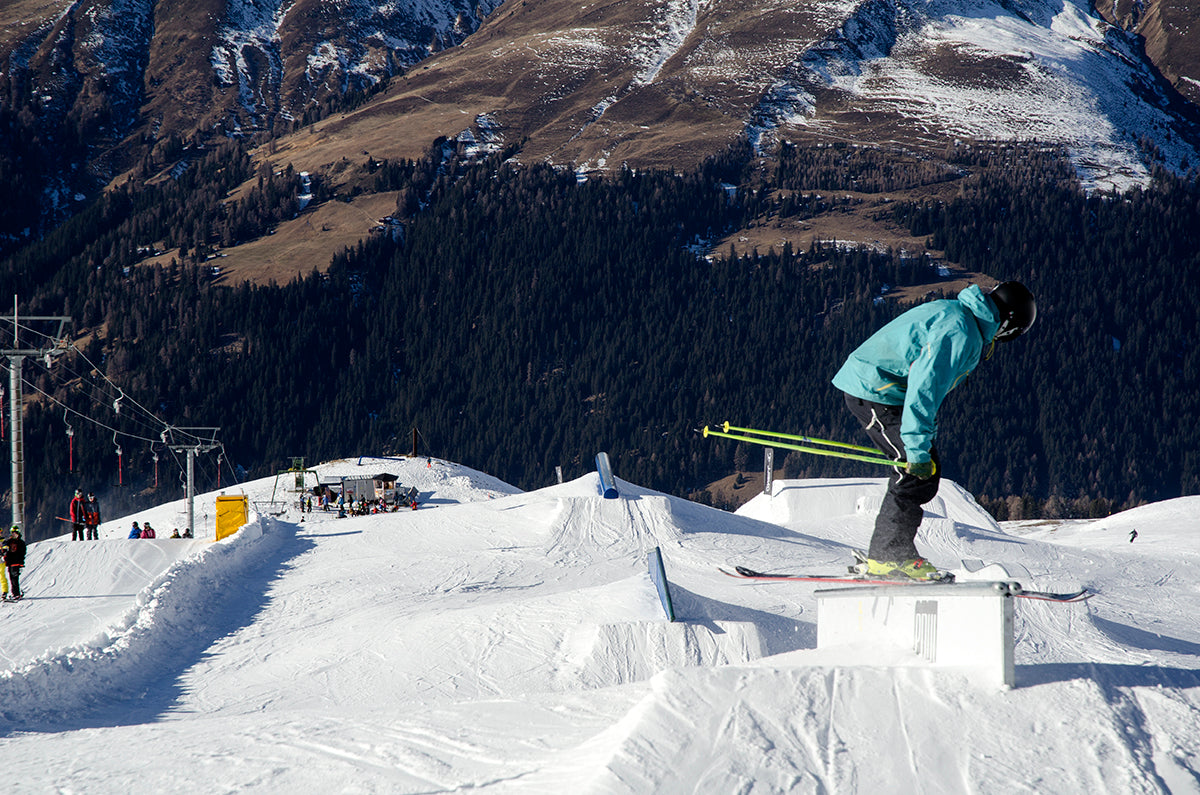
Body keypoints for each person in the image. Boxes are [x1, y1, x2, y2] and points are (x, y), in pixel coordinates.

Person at [832, 280, 1037, 580]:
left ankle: (890, 553)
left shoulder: (962, 317)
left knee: (925, 471)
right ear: (1008, 325)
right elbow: (923, 389)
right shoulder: (961, 332)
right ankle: (889, 556)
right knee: (914, 472)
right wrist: (916, 448)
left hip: (882, 387)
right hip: (874, 390)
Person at [3, 526, 26, 600]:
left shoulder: (20, 542)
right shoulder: (9, 541)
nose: (14, 534)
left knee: (15, 579)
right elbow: (4, 546)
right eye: (13, 533)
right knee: (12, 578)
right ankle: (15, 593)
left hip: (16, 562)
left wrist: (21, 563)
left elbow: (23, 553)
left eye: (15, 533)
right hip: (10, 562)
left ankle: (16, 593)